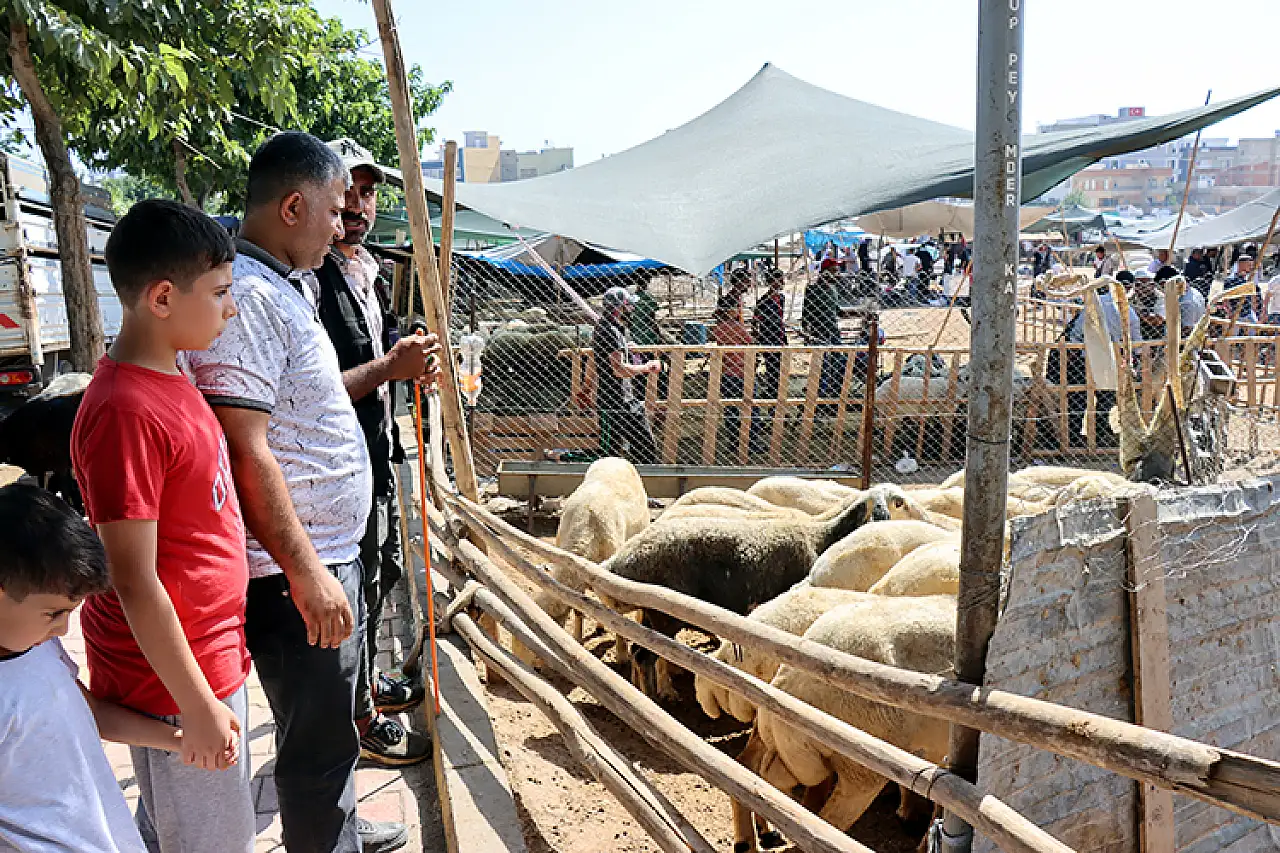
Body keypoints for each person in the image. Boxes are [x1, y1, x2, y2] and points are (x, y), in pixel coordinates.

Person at [184, 132, 430, 853]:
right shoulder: (253, 299)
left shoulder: (285, 286)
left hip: (321, 559)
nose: (342, 221)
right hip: (296, 574)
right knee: (316, 750)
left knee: (327, 741)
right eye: (332, 207)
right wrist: (304, 569)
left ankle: (337, 835)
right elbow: (244, 444)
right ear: (293, 205)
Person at [70, 200, 255, 853]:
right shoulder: (125, 409)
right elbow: (134, 578)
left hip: (204, 661)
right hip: (176, 682)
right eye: (222, 291)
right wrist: (198, 705)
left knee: (183, 830)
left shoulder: (172, 372)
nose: (230, 308)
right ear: (163, 297)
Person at [316, 139, 435, 768]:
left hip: (375, 449)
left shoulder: (366, 271)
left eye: (366, 193)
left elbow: (380, 350)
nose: (357, 208)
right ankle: (359, 718)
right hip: (338, 462)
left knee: (383, 569)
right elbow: (312, 387)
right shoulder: (310, 281)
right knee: (358, 582)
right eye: (346, 196)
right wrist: (391, 365)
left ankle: (366, 685)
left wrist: (405, 357)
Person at [0, 483, 191, 853]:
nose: (63, 630)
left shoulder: (38, 645)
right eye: (54, 614)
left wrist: (177, 741)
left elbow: (89, 714)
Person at [593, 286, 661, 464]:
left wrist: (625, 348)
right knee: (610, 452)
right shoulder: (610, 331)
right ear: (619, 308)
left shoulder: (611, 329)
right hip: (616, 399)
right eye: (628, 306)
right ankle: (561, 458)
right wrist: (646, 367)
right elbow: (618, 369)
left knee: (641, 447)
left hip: (622, 398)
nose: (631, 310)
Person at [711, 301, 751, 456]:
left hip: (726, 371)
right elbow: (749, 341)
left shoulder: (719, 328)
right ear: (731, 311)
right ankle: (750, 442)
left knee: (731, 407)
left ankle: (733, 442)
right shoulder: (738, 327)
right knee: (748, 406)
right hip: (741, 370)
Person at [752, 267, 787, 398]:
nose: (782, 282)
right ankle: (772, 393)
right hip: (769, 336)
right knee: (772, 367)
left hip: (780, 336)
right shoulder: (763, 301)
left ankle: (775, 392)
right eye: (780, 280)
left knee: (780, 367)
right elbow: (756, 320)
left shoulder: (781, 298)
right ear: (773, 282)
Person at [1154, 265, 1207, 337]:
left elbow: (1188, 330)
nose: (1163, 291)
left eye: (1162, 287)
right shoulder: (1193, 292)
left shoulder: (1187, 302)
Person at [630, 276, 663, 347]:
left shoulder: (632, 298)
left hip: (635, 333)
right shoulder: (648, 297)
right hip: (648, 335)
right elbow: (652, 319)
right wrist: (658, 334)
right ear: (647, 282)